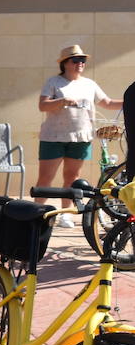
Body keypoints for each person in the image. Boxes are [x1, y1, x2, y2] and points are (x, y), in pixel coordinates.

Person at [37, 43, 121, 226]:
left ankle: (65, 214)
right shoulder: (54, 82)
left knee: (72, 177)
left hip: (81, 137)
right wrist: (62, 101)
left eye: (82, 60)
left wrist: (129, 100)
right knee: (45, 177)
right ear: (65, 63)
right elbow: (43, 106)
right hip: (53, 137)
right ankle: (36, 212)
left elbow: (107, 102)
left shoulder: (89, 84)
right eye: (76, 60)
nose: (80, 64)